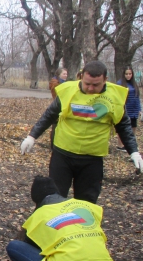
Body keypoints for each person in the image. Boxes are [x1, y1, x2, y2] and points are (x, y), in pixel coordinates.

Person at [20, 60, 143, 204]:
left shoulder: (114, 97)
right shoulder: (68, 91)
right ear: (81, 77)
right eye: (87, 83)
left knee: (86, 202)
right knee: (55, 199)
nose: (90, 88)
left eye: (95, 84)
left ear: (105, 80)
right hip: (63, 154)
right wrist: (32, 136)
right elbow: (49, 115)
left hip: (92, 158)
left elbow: (123, 126)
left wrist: (133, 151)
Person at [6, 176, 120, 261]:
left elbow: (30, 246)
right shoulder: (86, 207)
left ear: (37, 199)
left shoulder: (40, 215)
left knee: (14, 247)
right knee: (89, 248)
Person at [116, 66, 140, 151]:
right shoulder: (120, 83)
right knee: (123, 127)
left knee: (133, 127)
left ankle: (131, 144)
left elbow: (137, 97)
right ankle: (120, 145)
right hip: (125, 109)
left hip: (134, 109)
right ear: (124, 74)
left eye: (130, 74)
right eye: (126, 74)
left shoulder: (134, 84)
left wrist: (139, 109)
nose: (128, 75)